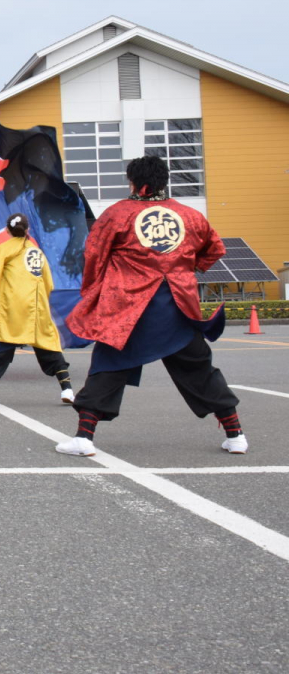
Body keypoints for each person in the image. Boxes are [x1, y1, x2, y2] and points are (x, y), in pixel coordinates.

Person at [56, 155, 245, 457]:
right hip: (178, 306)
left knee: (109, 366)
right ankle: (235, 434)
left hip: (128, 308)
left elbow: (94, 255)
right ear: (164, 181)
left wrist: (94, 292)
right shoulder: (190, 216)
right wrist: (185, 267)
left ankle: (84, 437)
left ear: (132, 181)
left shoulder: (118, 214)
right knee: (198, 367)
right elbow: (215, 249)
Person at [0, 213, 73, 408]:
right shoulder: (37, 252)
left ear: (7, 230)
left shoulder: (2, 250)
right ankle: (67, 388)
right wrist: (42, 302)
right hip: (37, 307)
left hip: (11, 306)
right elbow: (48, 282)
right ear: (27, 230)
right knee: (48, 346)